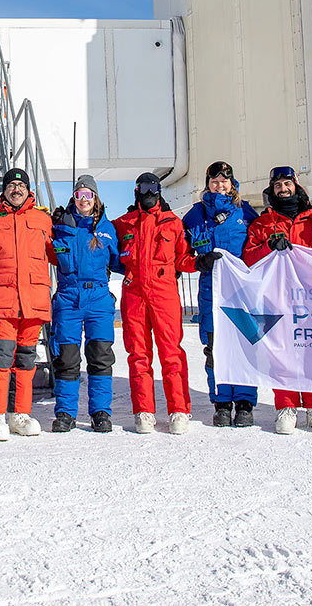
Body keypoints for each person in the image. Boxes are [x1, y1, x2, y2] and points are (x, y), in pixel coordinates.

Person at [243, 165, 312, 435]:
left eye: (287, 184)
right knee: (282, 352)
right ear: (272, 191)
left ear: (296, 186)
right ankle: (286, 405)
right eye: (278, 186)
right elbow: (249, 258)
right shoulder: (263, 224)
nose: (283, 190)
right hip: (279, 296)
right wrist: (268, 246)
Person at [112, 173, 203, 435]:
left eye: (153, 187)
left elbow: (182, 259)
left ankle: (179, 410)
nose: (148, 192)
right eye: (144, 187)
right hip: (135, 294)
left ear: (160, 191)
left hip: (164, 295)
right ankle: (144, 411)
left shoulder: (173, 223)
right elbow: (102, 240)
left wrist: (199, 262)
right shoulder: (124, 223)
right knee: (138, 354)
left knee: (171, 353)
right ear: (136, 190)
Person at [0, 167, 53, 441]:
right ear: (4, 190)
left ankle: (19, 413)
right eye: (11, 185)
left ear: (28, 190)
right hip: (4, 299)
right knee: (1, 357)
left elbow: (58, 254)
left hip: (34, 301)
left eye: (21, 186)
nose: (16, 189)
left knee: (26, 359)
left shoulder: (43, 219)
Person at [182, 161, 259, 428]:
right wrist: (196, 263)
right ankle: (223, 403)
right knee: (215, 349)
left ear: (232, 183)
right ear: (208, 184)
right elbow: (181, 253)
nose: (219, 184)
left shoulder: (245, 212)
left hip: (241, 292)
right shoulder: (195, 215)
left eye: (224, 181)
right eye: (214, 181)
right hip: (210, 292)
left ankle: (245, 403)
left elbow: (260, 247)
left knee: (245, 345)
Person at [48, 175, 120, 433]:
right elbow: (45, 249)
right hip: (68, 298)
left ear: (96, 198)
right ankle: (65, 413)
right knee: (67, 358)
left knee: (100, 356)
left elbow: (121, 261)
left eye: (88, 195)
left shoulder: (106, 228)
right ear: (73, 199)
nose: (83, 200)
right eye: (79, 195)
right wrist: (53, 223)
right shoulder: (61, 227)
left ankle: (100, 412)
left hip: (98, 298)